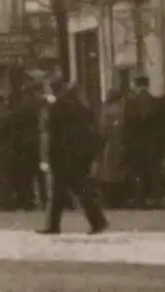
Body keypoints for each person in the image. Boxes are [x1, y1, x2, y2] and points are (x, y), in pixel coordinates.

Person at [37, 81, 108, 235]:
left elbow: (50, 135)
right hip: (74, 155)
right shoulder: (75, 107)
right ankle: (97, 221)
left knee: (58, 192)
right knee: (78, 189)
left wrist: (47, 157)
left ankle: (54, 225)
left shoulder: (54, 108)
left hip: (59, 155)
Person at [122, 76, 164, 207]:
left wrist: (126, 142)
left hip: (136, 143)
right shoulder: (155, 101)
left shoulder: (131, 102)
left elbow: (127, 123)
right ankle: (157, 198)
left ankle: (140, 198)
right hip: (153, 142)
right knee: (154, 171)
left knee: (139, 171)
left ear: (136, 85)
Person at [10, 81, 47, 210]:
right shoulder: (40, 103)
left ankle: (27, 201)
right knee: (41, 173)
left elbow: (15, 123)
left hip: (24, 143)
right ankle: (45, 199)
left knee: (26, 174)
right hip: (39, 141)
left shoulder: (20, 105)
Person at [94, 89, 126, 207]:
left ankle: (108, 199)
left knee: (107, 172)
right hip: (120, 142)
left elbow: (103, 129)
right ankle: (118, 198)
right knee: (117, 171)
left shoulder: (106, 111)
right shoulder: (122, 110)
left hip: (109, 143)